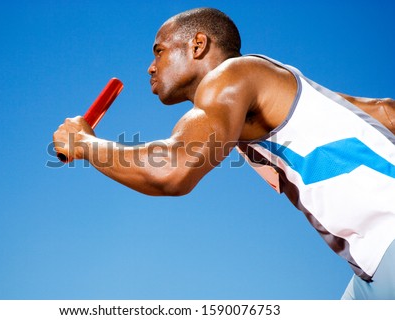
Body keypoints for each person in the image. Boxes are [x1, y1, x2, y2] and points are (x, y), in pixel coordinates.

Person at [53, 8, 395, 299]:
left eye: (159, 52)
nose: (150, 67)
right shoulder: (280, 82)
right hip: (371, 269)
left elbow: (173, 168)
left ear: (198, 45)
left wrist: (84, 144)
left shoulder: (229, 76)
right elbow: (385, 112)